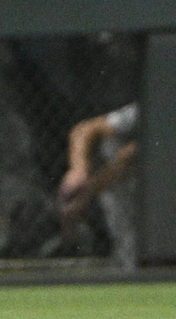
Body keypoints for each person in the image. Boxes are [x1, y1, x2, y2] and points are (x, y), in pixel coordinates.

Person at [57, 101, 139, 270]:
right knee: (111, 140)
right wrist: (78, 170)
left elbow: (133, 153)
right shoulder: (153, 108)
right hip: (129, 202)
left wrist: (85, 196)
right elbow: (84, 129)